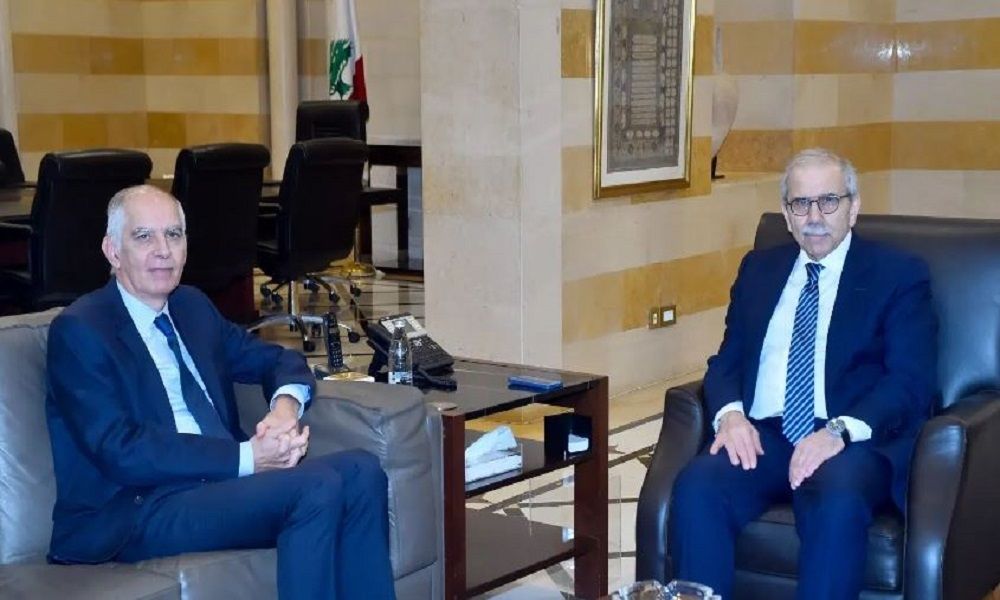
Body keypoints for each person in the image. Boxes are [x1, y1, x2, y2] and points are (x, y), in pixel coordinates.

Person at [45, 185, 395, 599]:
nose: (163, 250)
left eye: (174, 235)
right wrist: (248, 457)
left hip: (214, 486)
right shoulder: (82, 330)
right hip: (139, 506)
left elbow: (274, 359)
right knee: (315, 487)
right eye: (144, 237)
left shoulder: (191, 307)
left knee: (362, 471)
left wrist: (284, 409)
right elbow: (121, 449)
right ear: (112, 251)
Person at [668, 149, 937, 599]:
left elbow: (911, 380)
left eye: (828, 201)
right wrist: (730, 416)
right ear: (787, 215)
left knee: (835, 499)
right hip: (765, 435)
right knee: (699, 486)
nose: (814, 217)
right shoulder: (759, 269)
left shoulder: (897, 274)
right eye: (800, 204)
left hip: (849, 440)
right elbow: (727, 359)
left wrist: (837, 432)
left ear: (853, 207)